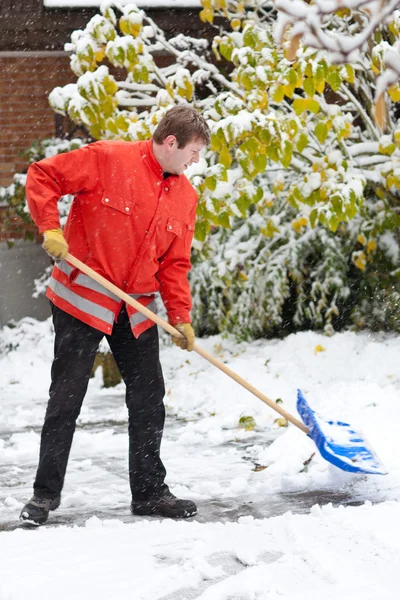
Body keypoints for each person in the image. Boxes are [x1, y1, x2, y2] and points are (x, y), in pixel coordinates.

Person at [20, 105, 210, 525]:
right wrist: (50, 227)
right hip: (81, 299)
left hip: (137, 308)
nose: (196, 161)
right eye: (194, 151)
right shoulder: (108, 159)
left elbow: (175, 264)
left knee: (148, 400)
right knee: (66, 399)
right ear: (172, 142)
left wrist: (180, 316)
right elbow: (43, 175)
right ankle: (44, 495)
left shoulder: (185, 196)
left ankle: (149, 493)